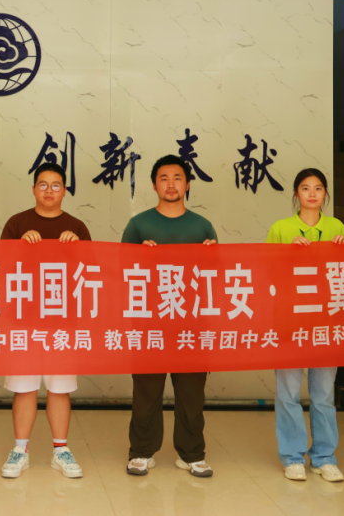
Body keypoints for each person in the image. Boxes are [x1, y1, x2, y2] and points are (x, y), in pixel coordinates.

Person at [121, 155, 217, 479]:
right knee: (146, 392)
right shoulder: (139, 224)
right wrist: (139, 257)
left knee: (192, 395)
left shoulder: (202, 225)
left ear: (187, 184)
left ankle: (192, 454)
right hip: (150, 323)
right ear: (154, 185)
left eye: (177, 178)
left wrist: (212, 256)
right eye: (164, 178)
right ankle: (141, 452)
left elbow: (216, 277)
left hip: (192, 323)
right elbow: (120, 271)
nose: (171, 184)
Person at [0, 162, 91, 480]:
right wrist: (19, 247)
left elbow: (92, 271)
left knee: (59, 388)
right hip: (23, 318)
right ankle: (20, 450)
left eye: (55, 185)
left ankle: (60, 450)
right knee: (24, 387)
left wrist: (76, 249)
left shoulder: (77, 227)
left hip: (62, 321)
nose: (49, 190)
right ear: (33, 189)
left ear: (64, 190)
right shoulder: (17, 223)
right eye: (43, 184)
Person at [265, 168, 344, 483]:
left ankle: (324, 457)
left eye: (318, 188)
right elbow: (267, 274)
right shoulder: (281, 228)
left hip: (326, 322)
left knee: (323, 394)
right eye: (305, 187)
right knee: (288, 392)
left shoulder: (337, 227)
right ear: (296, 193)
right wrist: (287, 255)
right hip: (290, 321)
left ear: (325, 194)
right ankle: (292, 456)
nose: (312, 193)